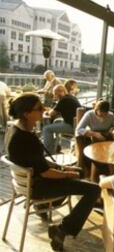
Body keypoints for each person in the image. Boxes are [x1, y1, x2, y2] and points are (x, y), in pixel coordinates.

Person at [5, 93, 100, 251]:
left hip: (29, 183)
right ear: (26, 113)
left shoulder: (14, 130)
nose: (44, 110)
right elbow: (45, 173)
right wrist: (69, 174)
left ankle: (44, 209)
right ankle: (62, 230)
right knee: (94, 189)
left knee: (77, 172)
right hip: (39, 186)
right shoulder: (26, 138)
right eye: (39, 108)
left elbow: (37, 162)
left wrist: (64, 168)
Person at [75, 100, 114, 181]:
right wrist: (95, 134)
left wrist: (113, 129)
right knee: (92, 146)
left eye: (105, 114)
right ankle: (94, 176)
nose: (103, 116)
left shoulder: (111, 116)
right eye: (101, 114)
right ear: (96, 110)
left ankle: (112, 174)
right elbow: (78, 129)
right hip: (93, 137)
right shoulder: (89, 114)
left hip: (106, 138)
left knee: (113, 149)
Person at [42, 84, 81, 153]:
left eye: (55, 94)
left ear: (61, 92)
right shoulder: (70, 97)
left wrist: (46, 112)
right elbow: (57, 110)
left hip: (72, 126)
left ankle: (48, 152)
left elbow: (51, 114)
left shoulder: (63, 100)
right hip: (77, 123)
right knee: (56, 122)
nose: (54, 96)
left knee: (46, 129)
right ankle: (56, 146)